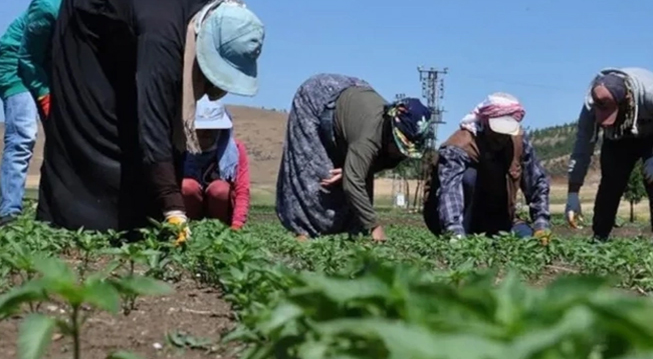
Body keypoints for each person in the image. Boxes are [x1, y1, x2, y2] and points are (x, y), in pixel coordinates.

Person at [36, 0, 265, 244]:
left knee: (139, 131)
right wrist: (173, 207)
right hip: (92, 2)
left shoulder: (222, 12)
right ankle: (74, 226)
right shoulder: (164, 33)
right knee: (97, 122)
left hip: (137, 2)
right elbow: (154, 121)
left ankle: (140, 225)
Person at [0, 0, 105, 227]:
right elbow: (28, 57)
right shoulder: (48, 3)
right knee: (23, 134)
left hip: (50, 68)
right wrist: (45, 96)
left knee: (63, 136)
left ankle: (59, 210)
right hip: (18, 65)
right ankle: (9, 211)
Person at [276, 73, 432, 242]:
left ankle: (357, 236)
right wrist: (374, 225)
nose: (402, 154)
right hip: (317, 97)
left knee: (355, 174)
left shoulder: (392, 140)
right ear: (392, 130)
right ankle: (303, 235)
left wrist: (348, 171)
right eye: (400, 147)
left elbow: (363, 170)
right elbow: (353, 183)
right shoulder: (369, 136)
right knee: (316, 174)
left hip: (352, 96)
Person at [565, 67, 653, 244]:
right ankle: (599, 238)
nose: (603, 119)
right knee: (611, 183)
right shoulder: (591, 107)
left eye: (610, 114)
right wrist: (573, 193)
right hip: (618, 135)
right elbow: (582, 148)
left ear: (626, 100)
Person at [421, 92, 551, 244]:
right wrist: (454, 233)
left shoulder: (519, 142)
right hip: (456, 220)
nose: (500, 137)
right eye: (496, 131)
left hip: (498, 220)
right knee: (469, 176)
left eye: (505, 133)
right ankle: (461, 235)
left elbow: (538, 183)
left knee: (529, 242)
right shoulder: (458, 146)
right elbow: (449, 192)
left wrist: (541, 224)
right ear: (485, 122)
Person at [181, 97, 250, 230]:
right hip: (191, 210)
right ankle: (189, 227)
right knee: (187, 186)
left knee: (219, 189)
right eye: (202, 128)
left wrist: (237, 224)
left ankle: (219, 229)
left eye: (212, 128)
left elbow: (242, 190)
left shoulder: (235, 150)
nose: (206, 132)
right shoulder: (182, 148)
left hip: (222, 212)